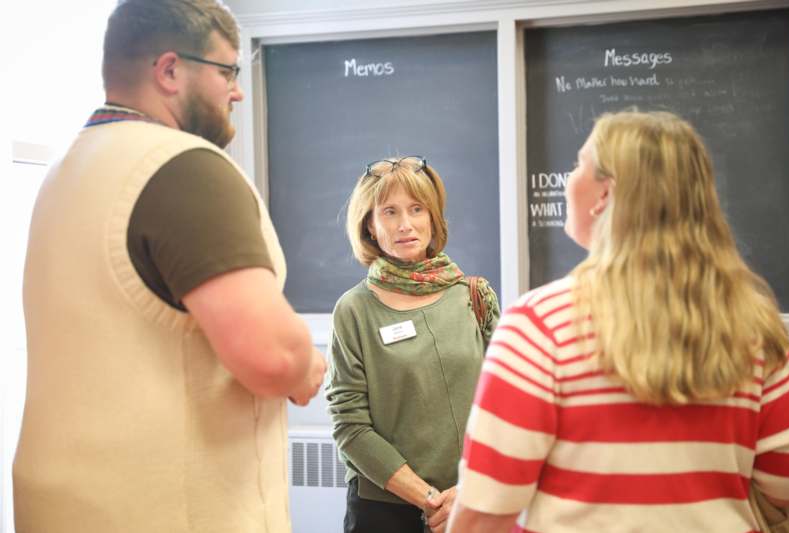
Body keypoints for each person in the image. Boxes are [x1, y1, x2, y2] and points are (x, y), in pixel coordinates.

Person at [14, 1, 326, 532]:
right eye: (227, 71)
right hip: (169, 512)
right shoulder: (182, 169)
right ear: (169, 70)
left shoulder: (67, 170)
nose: (237, 92)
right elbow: (273, 356)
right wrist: (307, 366)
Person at [447, 110, 789, 532]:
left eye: (578, 164)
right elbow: (786, 484)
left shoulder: (539, 328)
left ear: (604, 194)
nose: (567, 178)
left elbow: (483, 516)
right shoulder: (754, 327)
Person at [325, 156, 500, 533]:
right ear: (370, 225)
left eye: (416, 209)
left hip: (470, 502)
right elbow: (349, 426)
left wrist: (466, 492)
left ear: (432, 217)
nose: (405, 224)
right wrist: (432, 500)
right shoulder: (354, 310)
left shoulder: (474, 297)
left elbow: (504, 406)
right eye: (389, 212)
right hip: (384, 512)